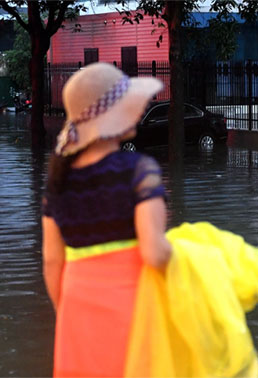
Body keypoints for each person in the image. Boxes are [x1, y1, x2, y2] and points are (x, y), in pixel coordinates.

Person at [41, 62, 171, 377]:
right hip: (133, 311)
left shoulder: (57, 180)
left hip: (76, 312)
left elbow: (52, 262)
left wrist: (67, 314)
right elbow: (155, 253)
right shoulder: (138, 170)